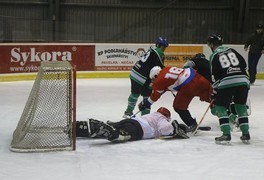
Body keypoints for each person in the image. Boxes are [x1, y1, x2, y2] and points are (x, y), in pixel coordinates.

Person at [138, 65, 213, 133]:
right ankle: (224, 118)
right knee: (216, 100)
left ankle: (192, 124)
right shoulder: (167, 68)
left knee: (178, 107)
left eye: (153, 79)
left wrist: (146, 103)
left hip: (189, 86)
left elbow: (155, 95)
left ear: (155, 75)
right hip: (199, 78)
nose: (153, 81)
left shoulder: (158, 80)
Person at [207, 34, 250, 144]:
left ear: (212, 45)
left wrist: (215, 93)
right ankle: (246, 134)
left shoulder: (214, 55)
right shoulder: (232, 50)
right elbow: (244, 65)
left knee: (220, 106)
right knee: (240, 106)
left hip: (227, 81)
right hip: (243, 80)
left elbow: (215, 76)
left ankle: (226, 134)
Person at [75, 107, 189, 142]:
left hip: (131, 121)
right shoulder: (162, 118)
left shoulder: (153, 115)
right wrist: (174, 130)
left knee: (112, 129)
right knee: (119, 135)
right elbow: (165, 129)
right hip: (138, 129)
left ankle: (81, 128)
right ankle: (102, 128)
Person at [123, 37, 169, 118]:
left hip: (134, 73)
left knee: (134, 94)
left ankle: (128, 112)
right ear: (159, 45)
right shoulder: (159, 53)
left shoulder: (151, 49)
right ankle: (145, 117)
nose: (164, 49)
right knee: (147, 97)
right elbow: (158, 69)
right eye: (163, 46)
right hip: (143, 77)